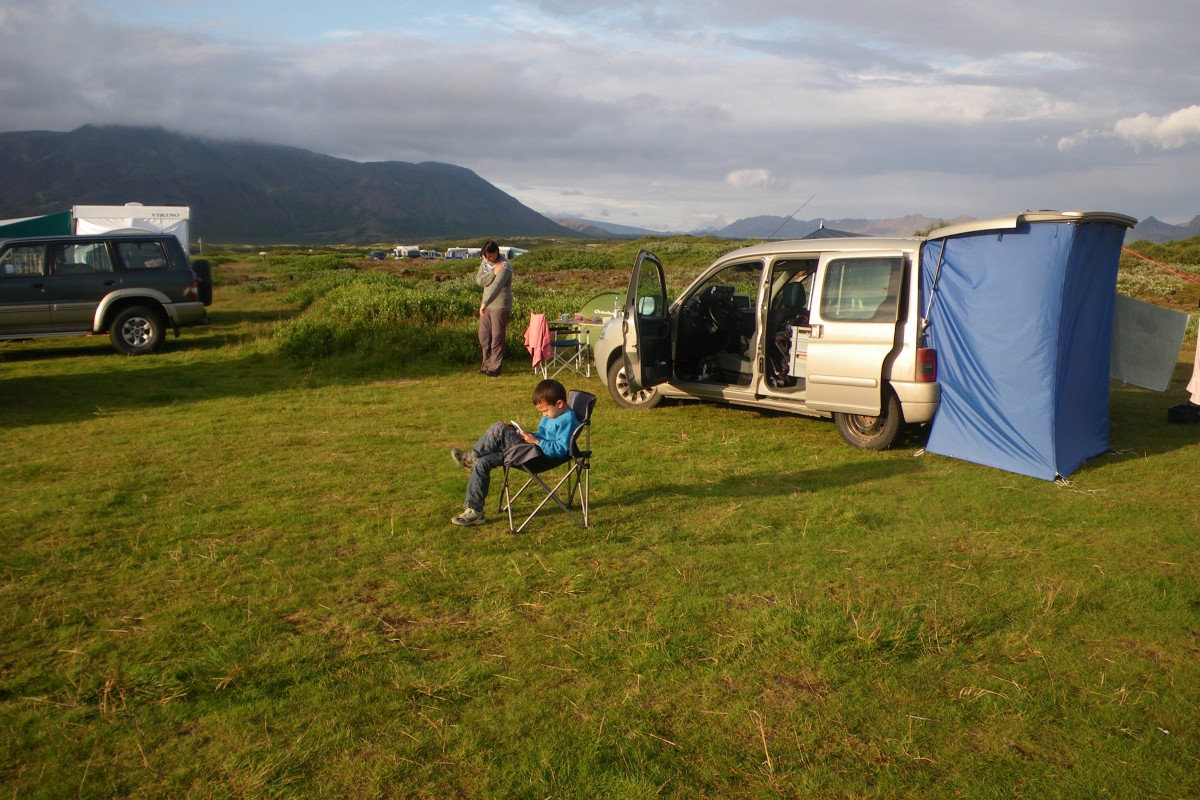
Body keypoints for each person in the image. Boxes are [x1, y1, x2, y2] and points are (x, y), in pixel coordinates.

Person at [448, 379, 578, 526]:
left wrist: (536, 441)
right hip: (528, 449)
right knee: (482, 463)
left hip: (537, 457)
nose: (544, 415)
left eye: (545, 411)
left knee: (500, 428)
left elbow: (561, 450)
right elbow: (545, 434)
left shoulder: (567, 419)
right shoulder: (555, 414)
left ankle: (471, 458)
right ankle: (475, 512)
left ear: (560, 404)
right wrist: (529, 435)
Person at [475, 240, 512, 376]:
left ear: (496, 252)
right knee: (484, 336)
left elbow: (496, 287)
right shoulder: (485, 263)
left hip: (500, 306)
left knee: (497, 337)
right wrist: (492, 273)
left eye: (490, 256)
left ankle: (494, 367)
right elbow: (479, 280)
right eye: (486, 256)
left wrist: (484, 303)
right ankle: (486, 364)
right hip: (486, 306)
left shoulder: (505, 266)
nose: (488, 258)